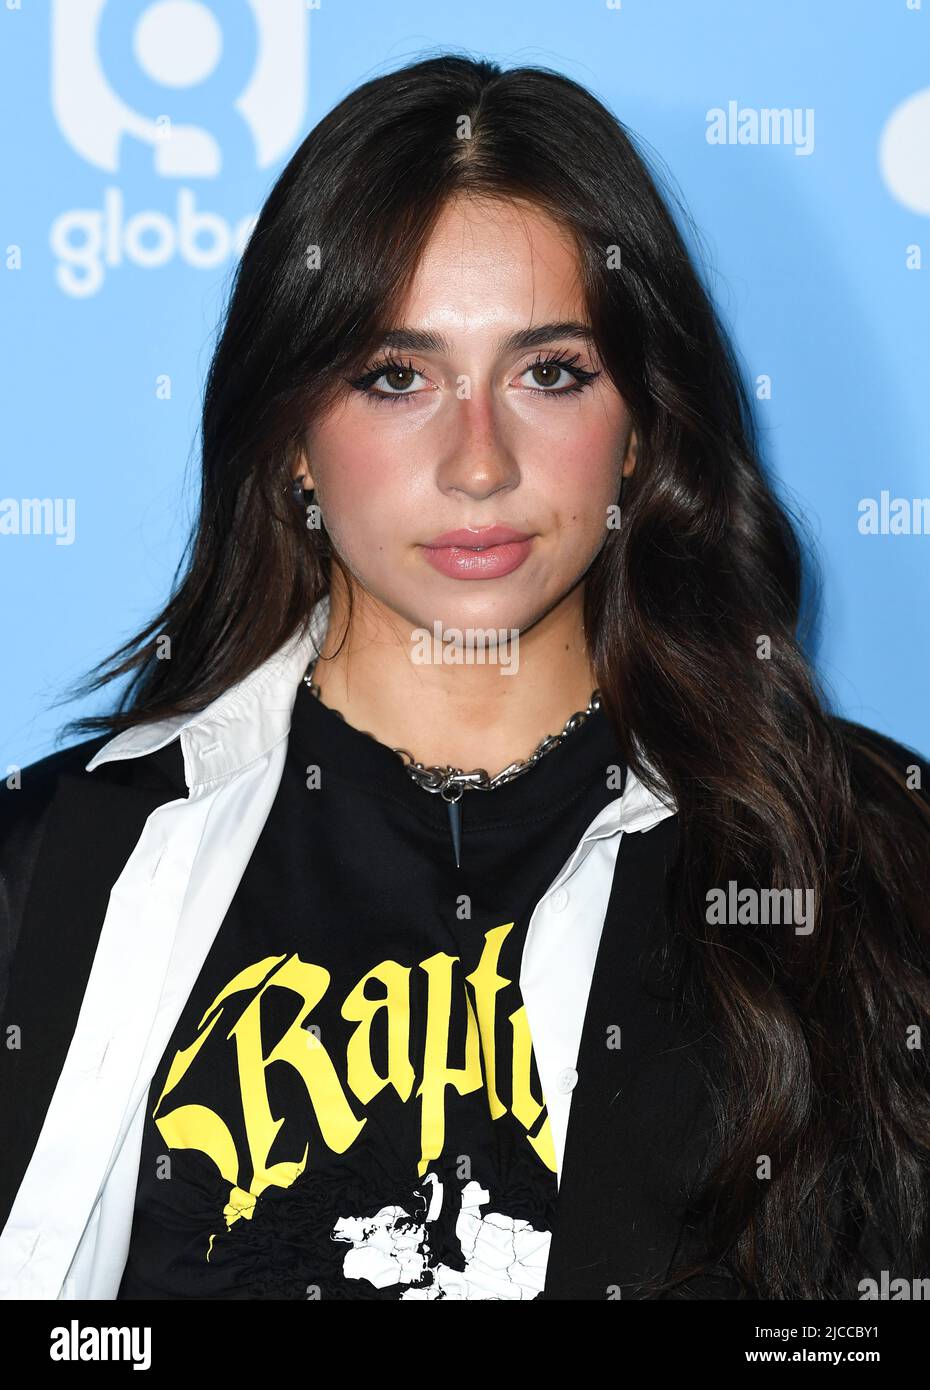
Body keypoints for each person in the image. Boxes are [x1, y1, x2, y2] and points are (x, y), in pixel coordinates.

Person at [1, 53, 928, 1302]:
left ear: (643, 424)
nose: (478, 461)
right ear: (291, 440)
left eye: (550, 372)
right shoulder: (58, 864)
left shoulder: (865, 857)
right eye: (398, 377)